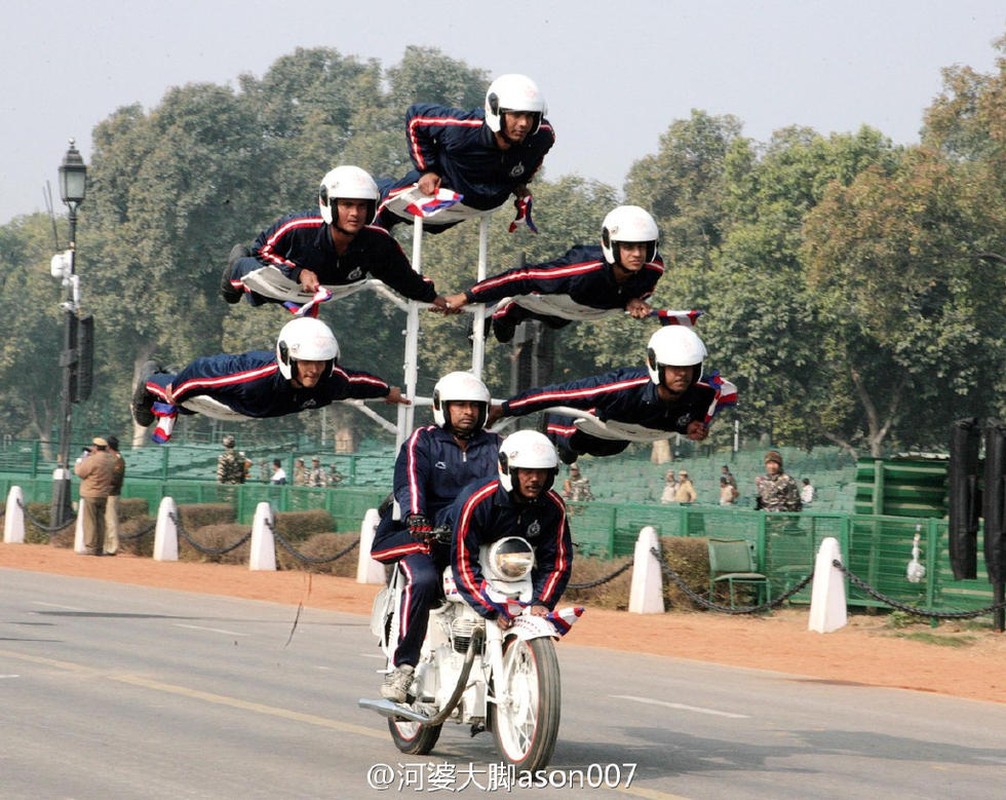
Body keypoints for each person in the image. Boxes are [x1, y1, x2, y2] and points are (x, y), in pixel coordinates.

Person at [371, 372, 501, 702]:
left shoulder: (497, 446)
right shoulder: (423, 441)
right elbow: (409, 481)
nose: (467, 412)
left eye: (474, 406)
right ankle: (403, 667)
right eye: (459, 405)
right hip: (429, 535)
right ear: (442, 407)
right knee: (423, 579)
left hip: (478, 538)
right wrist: (416, 517)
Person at [131, 317, 409, 443]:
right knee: (184, 398)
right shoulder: (253, 375)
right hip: (230, 400)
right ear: (288, 358)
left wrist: (387, 391)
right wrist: (176, 392)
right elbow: (204, 370)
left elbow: (358, 381)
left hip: (256, 411)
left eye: (320, 362)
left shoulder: (332, 380)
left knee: (187, 406)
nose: (313, 370)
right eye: (306, 362)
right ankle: (150, 379)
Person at [487, 326, 736, 464]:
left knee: (611, 448)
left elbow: (683, 423)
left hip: (624, 434)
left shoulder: (706, 393)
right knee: (576, 440)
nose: (682, 375)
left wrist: (694, 430)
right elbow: (559, 393)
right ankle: (554, 430)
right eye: (674, 368)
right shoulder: (621, 387)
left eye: (688, 369)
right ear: (656, 364)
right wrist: (506, 408)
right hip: (591, 423)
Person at [219, 165, 450, 314]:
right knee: (247, 265)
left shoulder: (379, 242)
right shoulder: (297, 227)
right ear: (330, 205)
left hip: (326, 288)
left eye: (362, 207)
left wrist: (434, 298)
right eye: (347, 205)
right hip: (281, 279)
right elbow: (262, 252)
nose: (355, 214)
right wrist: (298, 272)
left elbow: (402, 277)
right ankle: (234, 271)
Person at [443, 205, 664, 343]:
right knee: (523, 323)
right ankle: (508, 311)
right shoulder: (580, 269)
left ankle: (514, 313)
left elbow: (642, 291)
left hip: (581, 309)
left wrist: (634, 300)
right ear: (610, 244)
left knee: (559, 322)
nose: (637, 254)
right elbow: (522, 277)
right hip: (550, 297)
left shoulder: (653, 269)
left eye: (643, 247)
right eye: (628, 247)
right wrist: (465, 297)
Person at [374, 74, 555, 234]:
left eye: (530, 116)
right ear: (496, 111)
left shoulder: (542, 136)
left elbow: (538, 154)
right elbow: (415, 118)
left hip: (469, 204)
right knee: (385, 204)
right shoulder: (463, 129)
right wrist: (427, 170)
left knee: (434, 228)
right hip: (444, 185)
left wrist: (520, 183)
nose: (524, 123)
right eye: (516, 115)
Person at [73, 437, 119, 556]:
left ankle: (91, 547)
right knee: (100, 522)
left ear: (95, 447)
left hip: (90, 493)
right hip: (103, 494)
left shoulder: (93, 460)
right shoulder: (110, 460)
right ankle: (99, 547)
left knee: (90, 522)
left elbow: (80, 472)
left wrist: (80, 461)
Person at [103, 435, 125, 556]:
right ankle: (107, 546)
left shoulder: (117, 459)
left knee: (111, 521)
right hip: (107, 492)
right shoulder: (111, 458)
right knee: (106, 521)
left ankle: (113, 547)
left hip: (112, 493)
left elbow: (115, 478)